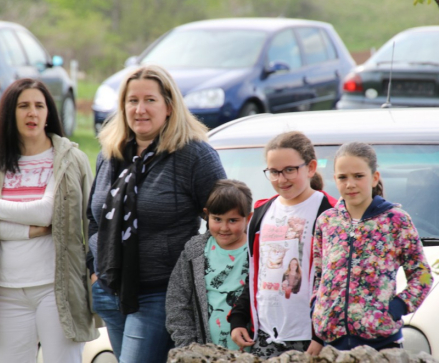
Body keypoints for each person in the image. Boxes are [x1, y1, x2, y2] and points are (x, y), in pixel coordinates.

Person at [86, 64, 226, 363]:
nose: (140, 109)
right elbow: (92, 218)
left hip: (160, 293)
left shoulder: (195, 155)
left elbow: (225, 221)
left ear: (169, 106)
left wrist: (191, 274)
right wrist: (94, 269)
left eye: (150, 100)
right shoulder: (109, 154)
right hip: (109, 290)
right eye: (132, 100)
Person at [0, 78, 98, 363]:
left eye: (39, 105)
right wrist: (29, 231)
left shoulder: (70, 160)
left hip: (57, 290)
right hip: (5, 292)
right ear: (9, 113)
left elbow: (49, 213)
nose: (32, 113)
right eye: (23, 106)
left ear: (49, 113)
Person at [311, 142, 433, 351]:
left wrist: (396, 308)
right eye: (343, 177)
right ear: (334, 180)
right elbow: (319, 275)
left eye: (358, 176)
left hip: (381, 345)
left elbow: (422, 276)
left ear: (374, 177)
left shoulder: (396, 221)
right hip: (332, 346)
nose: (350, 184)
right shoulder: (326, 221)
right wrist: (317, 310)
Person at [229, 131, 336, 358]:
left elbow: (335, 279)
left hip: (311, 337)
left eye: (290, 170)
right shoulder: (260, 213)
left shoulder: (330, 213)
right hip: (266, 335)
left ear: (310, 167)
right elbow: (256, 274)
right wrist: (239, 318)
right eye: (274, 172)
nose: (281, 179)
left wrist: (320, 335)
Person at [166, 179, 252, 350]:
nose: (224, 228)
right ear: (206, 215)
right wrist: (189, 347)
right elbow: (177, 300)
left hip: (253, 349)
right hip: (207, 351)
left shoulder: (258, 249)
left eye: (233, 220)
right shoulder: (195, 251)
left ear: (248, 218)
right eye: (217, 219)